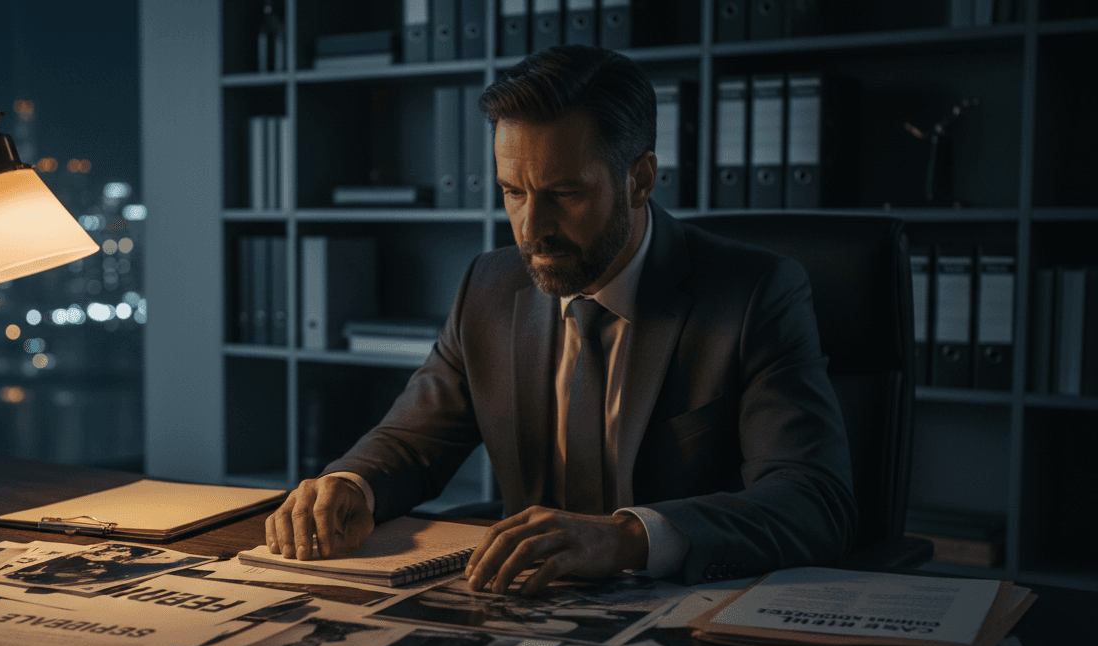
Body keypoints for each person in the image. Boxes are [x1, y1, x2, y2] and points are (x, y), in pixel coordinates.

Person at [265, 45, 855, 594]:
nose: (532, 229)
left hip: (683, 606)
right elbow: (411, 438)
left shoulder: (755, 294)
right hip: (520, 608)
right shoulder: (488, 287)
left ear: (639, 180)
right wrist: (350, 484)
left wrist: (627, 537)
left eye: (564, 194)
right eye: (513, 192)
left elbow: (813, 500)